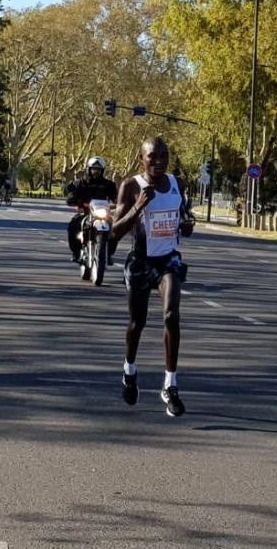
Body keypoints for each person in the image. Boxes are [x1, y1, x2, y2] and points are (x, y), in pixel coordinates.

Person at [112, 137, 195, 417]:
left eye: (164, 156)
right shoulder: (131, 186)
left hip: (168, 261)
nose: (159, 162)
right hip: (140, 262)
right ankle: (129, 370)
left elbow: (185, 222)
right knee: (137, 323)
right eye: (152, 157)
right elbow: (114, 232)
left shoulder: (177, 185)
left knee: (171, 316)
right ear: (141, 159)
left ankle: (170, 385)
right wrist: (138, 207)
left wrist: (186, 223)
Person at [65, 157, 119, 264]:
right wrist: (77, 202)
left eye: (98, 170)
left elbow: (116, 198)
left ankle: (108, 253)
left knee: (115, 230)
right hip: (85, 213)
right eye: (93, 169)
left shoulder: (109, 185)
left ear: (102, 170)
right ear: (88, 169)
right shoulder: (80, 183)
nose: (96, 172)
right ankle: (76, 252)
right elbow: (70, 198)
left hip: (103, 214)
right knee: (73, 226)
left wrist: (119, 203)